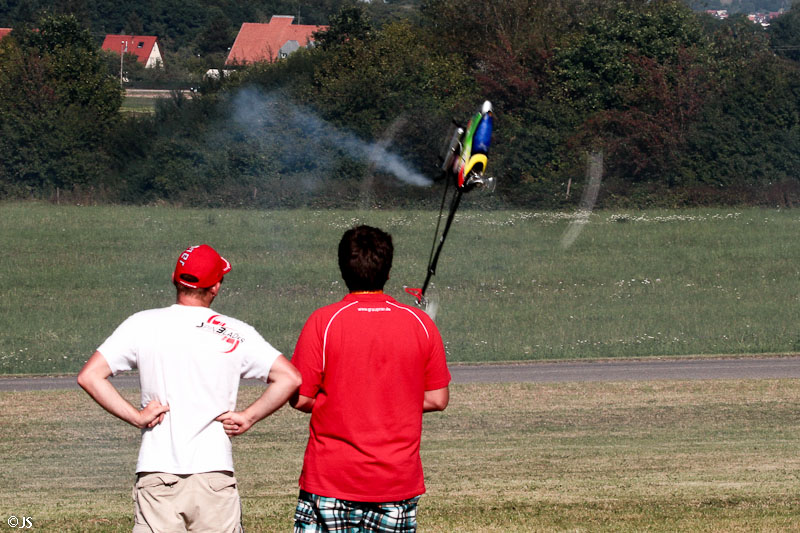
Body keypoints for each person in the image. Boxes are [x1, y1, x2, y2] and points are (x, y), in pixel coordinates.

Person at [77, 244, 301, 533]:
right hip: (214, 476)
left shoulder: (142, 324)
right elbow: (290, 378)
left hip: (156, 475)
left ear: (174, 277)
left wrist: (136, 417)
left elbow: (90, 376)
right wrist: (249, 416)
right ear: (216, 287)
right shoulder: (235, 332)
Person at [289, 225, 451, 532]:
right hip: (395, 483)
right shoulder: (420, 323)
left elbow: (301, 398)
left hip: (330, 480)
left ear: (342, 270)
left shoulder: (323, 321)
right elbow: (437, 398)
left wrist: (343, 402)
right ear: (388, 272)